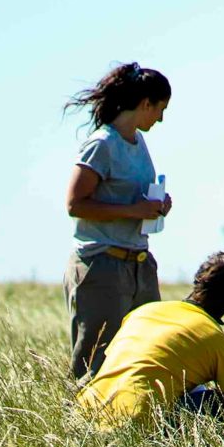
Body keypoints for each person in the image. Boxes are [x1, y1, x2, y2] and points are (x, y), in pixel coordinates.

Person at [62, 62, 175, 379]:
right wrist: (134, 210)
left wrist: (156, 206)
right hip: (102, 265)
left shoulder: (139, 143)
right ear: (145, 104)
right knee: (94, 364)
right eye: (160, 109)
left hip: (138, 263)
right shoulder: (102, 144)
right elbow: (75, 204)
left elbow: (131, 199)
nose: (161, 118)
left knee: (146, 353)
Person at [77, 251, 224, 428]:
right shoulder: (217, 341)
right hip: (134, 428)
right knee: (216, 403)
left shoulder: (141, 313)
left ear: (197, 281)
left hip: (82, 418)